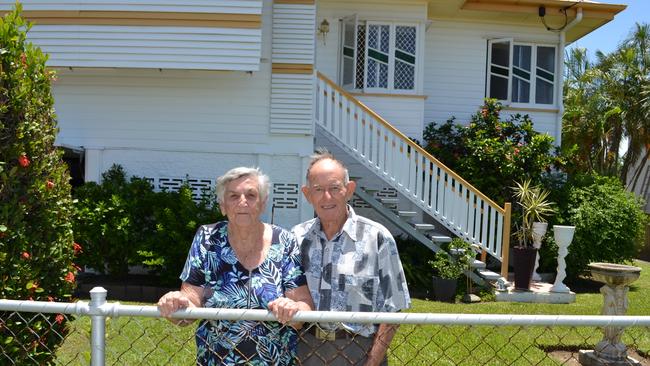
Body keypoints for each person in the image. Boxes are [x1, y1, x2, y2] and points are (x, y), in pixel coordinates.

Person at [157, 167, 313, 365]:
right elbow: (190, 303)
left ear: (262, 204)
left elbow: (304, 307)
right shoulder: (207, 238)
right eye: (233, 196)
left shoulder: (284, 241)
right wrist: (176, 302)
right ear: (223, 205)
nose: (243, 202)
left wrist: (292, 308)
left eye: (251, 195)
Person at [292, 150, 411, 366]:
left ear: (349, 190)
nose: (326, 197)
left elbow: (393, 309)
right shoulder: (296, 238)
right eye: (318, 190)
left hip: (358, 350)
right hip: (304, 349)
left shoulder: (377, 237)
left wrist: (371, 363)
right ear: (307, 194)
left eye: (335, 188)